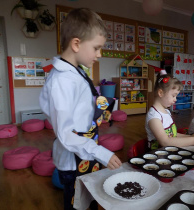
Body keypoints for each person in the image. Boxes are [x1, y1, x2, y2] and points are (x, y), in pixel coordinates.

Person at [39, 8, 122, 210]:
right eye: (96, 48)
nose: (99, 54)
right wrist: (101, 153)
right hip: (73, 160)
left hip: (85, 152)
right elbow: (66, 134)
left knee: (88, 198)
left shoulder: (76, 73)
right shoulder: (63, 81)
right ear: (76, 44)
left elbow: (79, 105)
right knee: (77, 204)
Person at [145, 70, 194, 150]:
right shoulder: (154, 116)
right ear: (160, 93)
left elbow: (173, 135)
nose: (175, 99)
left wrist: (191, 137)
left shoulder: (166, 112)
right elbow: (165, 142)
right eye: (173, 96)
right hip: (158, 156)